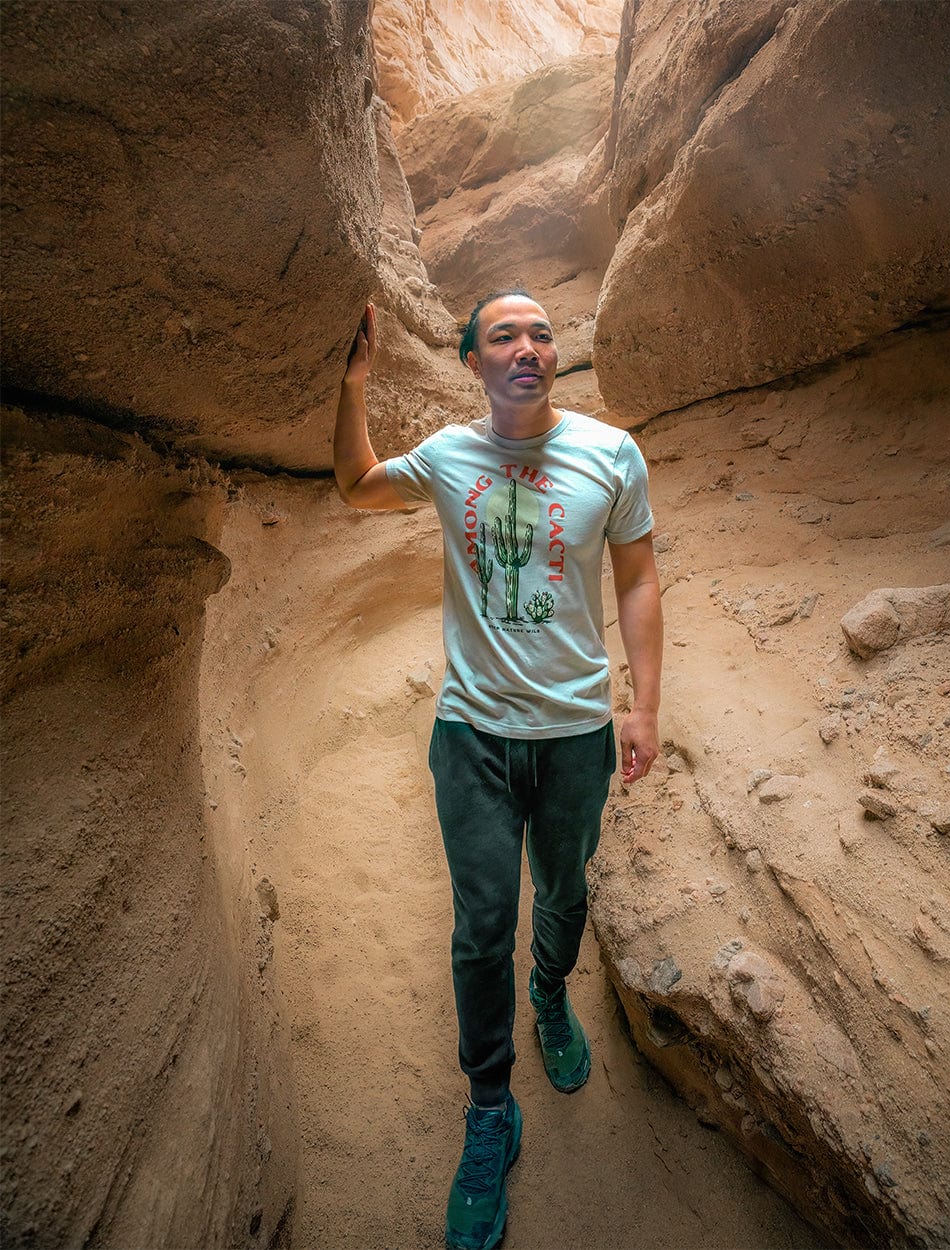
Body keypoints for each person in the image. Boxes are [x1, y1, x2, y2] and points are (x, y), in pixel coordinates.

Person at [334, 289, 663, 1250]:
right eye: (504, 335)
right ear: (474, 362)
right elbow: (356, 487)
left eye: (542, 333)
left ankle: (552, 992)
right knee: (482, 925)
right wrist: (354, 384)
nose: (529, 347)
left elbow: (638, 577)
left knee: (561, 893)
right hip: (471, 731)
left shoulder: (612, 454)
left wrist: (643, 703)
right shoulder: (445, 457)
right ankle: (490, 1108)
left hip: (572, 734)